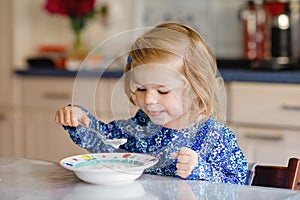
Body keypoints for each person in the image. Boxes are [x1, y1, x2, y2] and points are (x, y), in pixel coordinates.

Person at [55, 22, 248, 184]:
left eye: (163, 91)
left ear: (197, 91)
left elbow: (238, 184)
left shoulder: (214, 136)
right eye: (141, 89)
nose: (148, 99)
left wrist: (200, 169)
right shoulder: (140, 126)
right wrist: (82, 121)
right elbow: (105, 142)